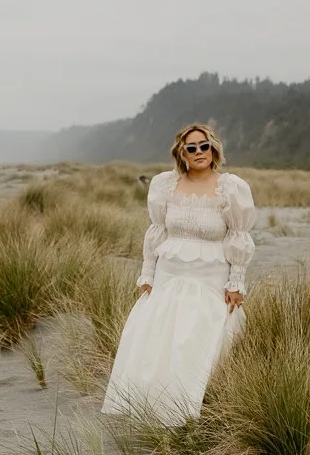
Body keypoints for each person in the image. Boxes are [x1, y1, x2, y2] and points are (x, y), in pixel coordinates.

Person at [100, 123, 256, 424]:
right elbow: (156, 232)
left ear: (214, 149)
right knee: (162, 337)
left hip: (210, 275)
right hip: (169, 273)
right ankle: (157, 408)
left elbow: (238, 236)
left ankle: (197, 409)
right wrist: (147, 275)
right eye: (192, 148)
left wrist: (236, 282)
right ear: (181, 154)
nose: (199, 152)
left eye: (204, 146)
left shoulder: (230, 187)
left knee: (202, 337)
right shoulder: (164, 185)